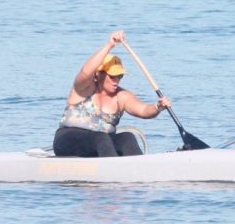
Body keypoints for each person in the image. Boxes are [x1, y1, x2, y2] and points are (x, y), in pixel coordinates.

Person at [53, 30, 172, 158]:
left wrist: (157, 107)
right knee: (101, 139)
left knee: (127, 138)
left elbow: (143, 110)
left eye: (120, 76)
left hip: (102, 144)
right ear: (98, 74)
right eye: (112, 76)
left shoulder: (121, 96)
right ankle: (113, 174)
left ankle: (139, 171)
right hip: (68, 139)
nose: (117, 80)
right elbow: (86, 71)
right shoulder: (83, 89)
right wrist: (110, 45)